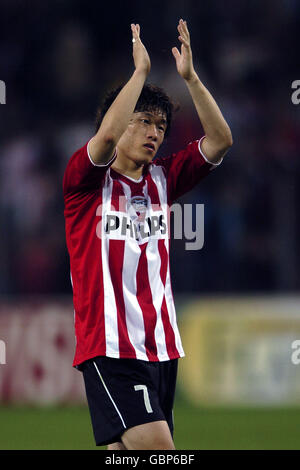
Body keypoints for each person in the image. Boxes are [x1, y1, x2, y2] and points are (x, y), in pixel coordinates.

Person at [63, 19, 232, 450]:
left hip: (162, 347)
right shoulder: (84, 182)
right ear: (121, 125)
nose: (155, 132)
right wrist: (139, 74)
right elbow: (102, 138)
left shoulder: (164, 177)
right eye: (143, 121)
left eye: (161, 125)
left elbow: (221, 140)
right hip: (111, 345)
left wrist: (191, 79)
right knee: (161, 452)